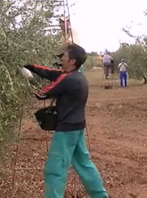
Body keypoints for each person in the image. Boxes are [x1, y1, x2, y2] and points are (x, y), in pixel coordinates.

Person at [24, 44, 108, 198]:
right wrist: (31, 66)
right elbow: (50, 73)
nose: (62, 57)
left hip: (66, 130)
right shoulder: (77, 77)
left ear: (72, 61)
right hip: (77, 127)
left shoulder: (68, 80)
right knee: (84, 164)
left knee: (54, 170)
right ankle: (100, 196)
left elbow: (42, 94)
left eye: (65, 56)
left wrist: (27, 79)